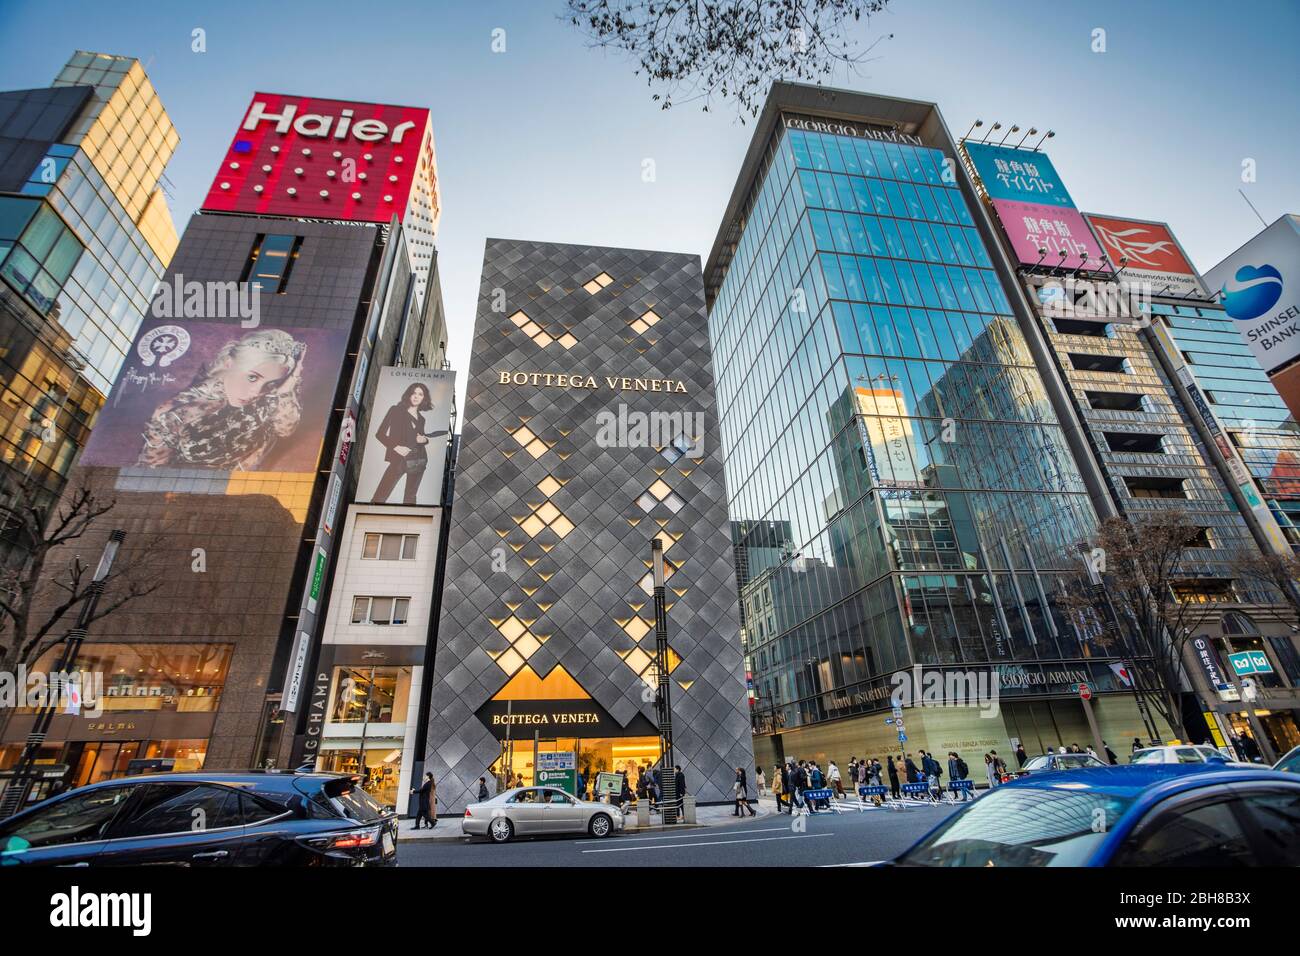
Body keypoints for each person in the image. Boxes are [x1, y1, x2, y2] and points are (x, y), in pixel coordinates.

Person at [138, 328, 307, 470]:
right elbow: (149, 471)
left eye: (271, 383)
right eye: (252, 378)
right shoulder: (176, 413)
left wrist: (287, 388)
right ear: (229, 364)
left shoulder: (272, 393)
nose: (257, 392)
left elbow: (285, 430)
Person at [370, 381, 449, 504]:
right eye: (414, 393)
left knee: (410, 498)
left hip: (419, 460)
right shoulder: (396, 410)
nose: (416, 396)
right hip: (399, 459)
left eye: (420, 394)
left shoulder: (422, 419)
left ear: (424, 398)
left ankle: (407, 521)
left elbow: (418, 438)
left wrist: (425, 440)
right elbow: (380, 434)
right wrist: (396, 447)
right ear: (409, 395)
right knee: (380, 496)